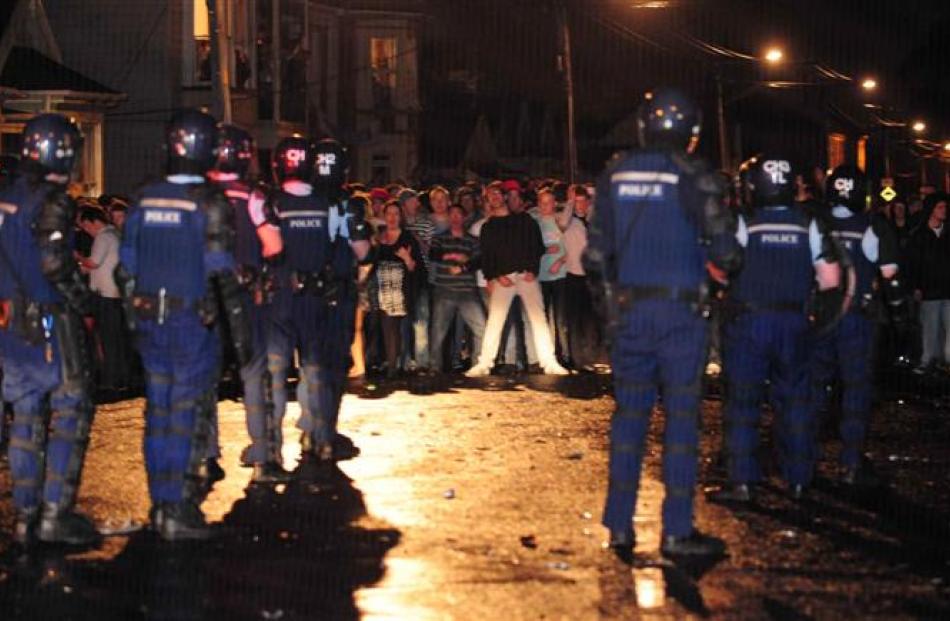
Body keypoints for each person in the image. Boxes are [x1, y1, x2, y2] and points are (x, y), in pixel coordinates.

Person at [589, 87, 742, 557]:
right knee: (680, 421)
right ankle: (676, 531)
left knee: (629, 418)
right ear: (692, 132)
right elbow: (727, 252)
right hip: (680, 317)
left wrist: (612, 315)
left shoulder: (615, 173)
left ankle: (618, 524)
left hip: (631, 314)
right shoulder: (696, 174)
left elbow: (595, 258)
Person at [117, 109, 251, 540]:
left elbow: (126, 270)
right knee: (187, 415)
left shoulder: (142, 197)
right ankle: (178, 509)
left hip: (149, 319)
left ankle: (160, 504)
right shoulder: (210, 202)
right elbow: (220, 272)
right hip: (193, 322)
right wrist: (239, 336)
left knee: (157, 413)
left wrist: (133, 322)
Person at [710, 155, 841, 503]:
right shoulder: (808, 222)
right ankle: (798, 479)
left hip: (749, 323)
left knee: (743, 402)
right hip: (795, 323)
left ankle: (742, 483)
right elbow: (831, 279)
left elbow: (722, 269)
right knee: (796, 401)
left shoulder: (743, 221)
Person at [0, 114, 99, 546]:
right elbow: (55, 264)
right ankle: (55, 512)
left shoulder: (7, 196)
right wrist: (84, 301)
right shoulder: (53, 201)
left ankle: (25, 514)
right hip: (48, 322)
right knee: (71, 415)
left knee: (25, 416)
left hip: (9, 324)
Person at [809, 165, 901, 486]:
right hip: (857, 319)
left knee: (815, 388)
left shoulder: (816, 222)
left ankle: (805, 459)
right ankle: (849, 462)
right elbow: (889, 272)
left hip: (821, 317)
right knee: (856, 390)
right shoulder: (873, 225)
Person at [209, 124, 289, 483]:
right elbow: (273, 245)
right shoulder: (253, 196)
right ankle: (262, 454)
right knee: (255, 376)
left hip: (203, 298)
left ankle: (205, 455)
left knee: (203, 381)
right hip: (244, 296)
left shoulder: (198, 195)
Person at [262, 137, 337, 460]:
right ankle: (313, 433)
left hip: (280, 299)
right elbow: (334, 247)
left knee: (276, 372)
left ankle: (272, 441)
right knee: (313, 368)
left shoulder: (273, 204)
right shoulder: (326, 204)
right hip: (315, 298)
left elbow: (265, 250)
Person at [299, 137, 370, 460]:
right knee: (334, 363)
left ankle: (310, 429)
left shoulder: (295, 201)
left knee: (310, 362)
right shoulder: (347, 204)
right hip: (339, 289)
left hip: (303, 291)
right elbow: (362, 250)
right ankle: (326, 433)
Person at [465, 181, 567, 377]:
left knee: (539, 320)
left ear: (504, 196)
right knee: (495, 321)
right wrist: (495, 276)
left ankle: (550, 362)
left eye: (497, 193)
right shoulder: (488, 228)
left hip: (526, 276)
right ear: (487, 201)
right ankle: (484, 364)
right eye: (489, 195)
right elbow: (487, 256)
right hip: (503, 279)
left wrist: (532, 270)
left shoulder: (525, 220)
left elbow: (536, 246)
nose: (494, 197)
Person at [77, 207, 130, 390]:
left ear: (93, 222)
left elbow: (93, 262)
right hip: (114, 292)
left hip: (105, 294)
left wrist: (76, 256)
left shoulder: (102, 237)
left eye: (85, 225)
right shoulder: (114, 233)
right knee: (115, 338)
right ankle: (120, 377)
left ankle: (111, 379)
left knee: (108, 339)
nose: (85, 230)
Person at [429, 203, 485, 371]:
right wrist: (452, 255)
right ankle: (434, 367)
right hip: (444, 289)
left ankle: (479, 364)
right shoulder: (439, 238)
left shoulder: (472, 240)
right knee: (438, 331)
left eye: (458, 214)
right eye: (451, 214)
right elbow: (434, 254)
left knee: (481, 327)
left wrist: (463, 266)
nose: (455, 218)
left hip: (467, 291)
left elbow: (478, 260)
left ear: (464, 217)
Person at [371, 200, 422, 378]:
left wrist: (407, 259)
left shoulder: (408, 238)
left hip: (401, 286)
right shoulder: (379, 236)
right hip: (382, 285)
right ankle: (391, 364)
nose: (392, 217)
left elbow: (417, 267)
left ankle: (400, 364)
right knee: (387, 326)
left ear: (401, 217)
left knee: (400, 328)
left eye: (396, 214)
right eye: (389, 214)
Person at [907, 193, 950, 373]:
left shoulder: (948, 233)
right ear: (931, 210)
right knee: (930, 326)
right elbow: (913, 263)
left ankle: (946, 360)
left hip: (948, 289)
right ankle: (928, 359)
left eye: (945, 207)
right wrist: (916, 286)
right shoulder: (920, 235)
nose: (944, 211)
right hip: (929, 290)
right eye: (940, 207)